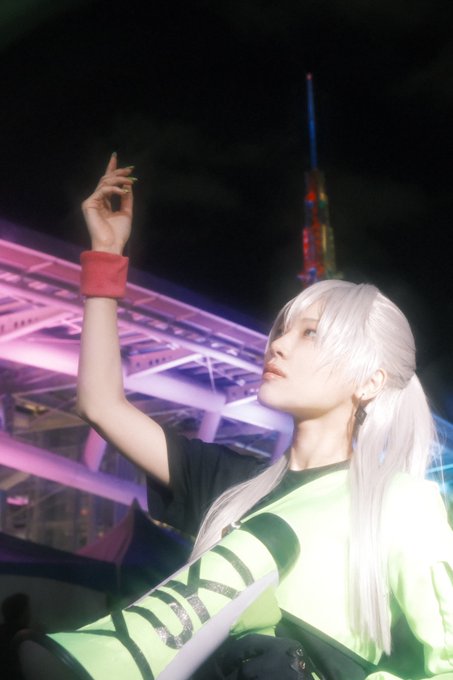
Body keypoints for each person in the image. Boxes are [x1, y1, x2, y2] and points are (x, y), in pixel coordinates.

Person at [76, 154, 453, 680]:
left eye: (311, 334)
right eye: (283, 328)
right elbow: (101, 404)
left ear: (369, 382)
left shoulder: (399, 504)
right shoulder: (229, 485)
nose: (278, 344)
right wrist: (105, 254)